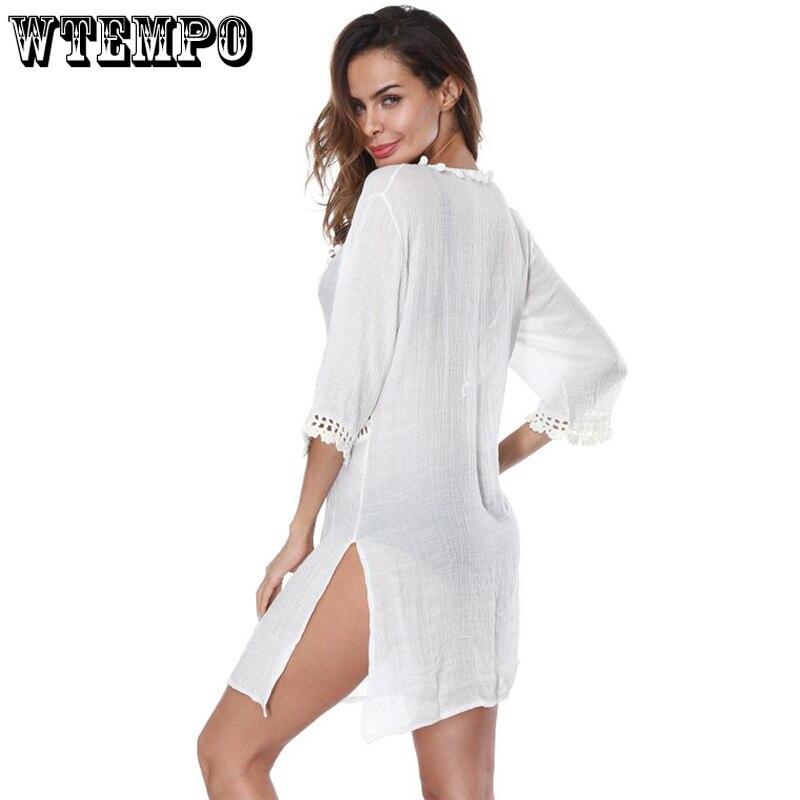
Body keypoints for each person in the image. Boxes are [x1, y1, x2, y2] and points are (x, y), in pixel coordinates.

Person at [198, 6, 627, 798]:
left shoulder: (393, 198)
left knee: (230, 752)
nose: (371, 125)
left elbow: (345, 391)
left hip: (383, 534)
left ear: (448, 91)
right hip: (475, 549)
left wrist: (297, 535)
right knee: (459, 789)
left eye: (391, 99)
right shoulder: (503, 224)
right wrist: (479, 466)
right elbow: (595, 365)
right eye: (359, 105)